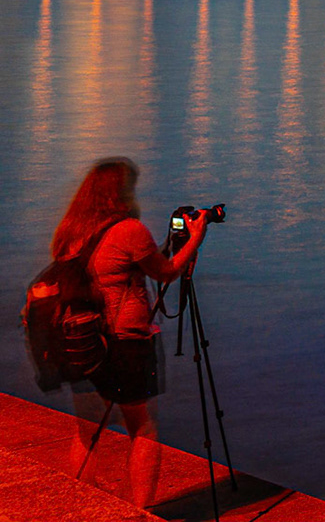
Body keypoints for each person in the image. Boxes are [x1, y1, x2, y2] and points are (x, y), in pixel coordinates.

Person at [48, 157, 208, 509]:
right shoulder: (128, 230)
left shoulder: (69, 231)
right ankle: (138, 512)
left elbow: (124, 263)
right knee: (143, 428)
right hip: (124, 343)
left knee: (88, 430)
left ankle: (81, 506)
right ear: (120, 193)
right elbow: (165, 273)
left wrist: (167, 243)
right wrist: (194, 239)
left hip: (81, 340)